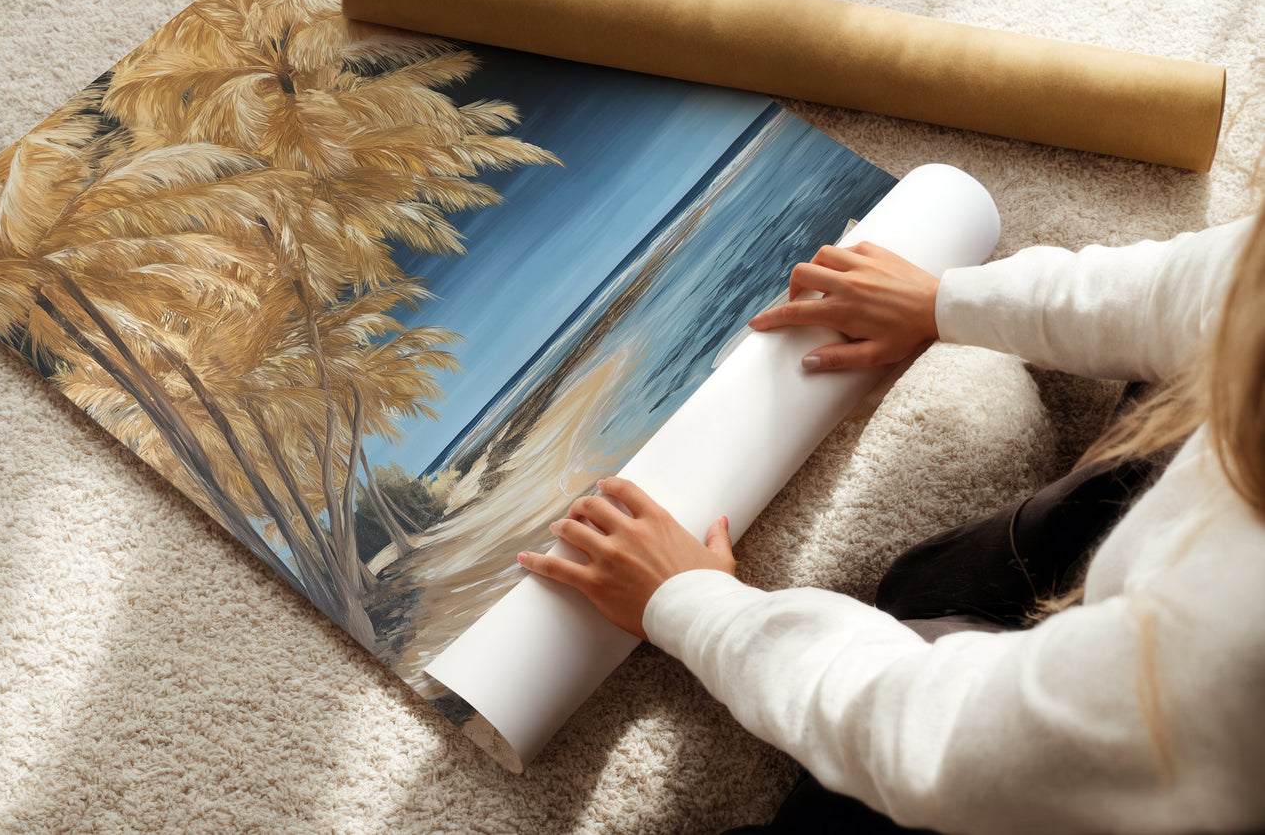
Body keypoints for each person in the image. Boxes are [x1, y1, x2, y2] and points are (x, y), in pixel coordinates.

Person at [518, 211, 1265, 833]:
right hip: (1161, 626)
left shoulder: (1228, 647)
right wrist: (943, 301)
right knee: (932, 584)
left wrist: (693, 605)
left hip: (1164, 766)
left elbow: (942, 741)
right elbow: (1206, 285)